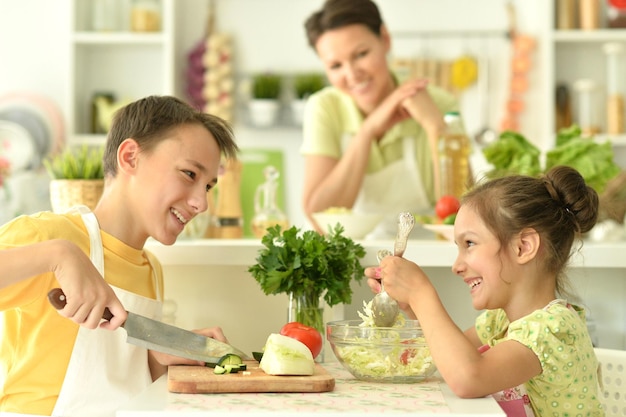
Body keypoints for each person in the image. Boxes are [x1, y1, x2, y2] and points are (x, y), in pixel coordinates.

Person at [0, 96, 239, 416]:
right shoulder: (49, 236)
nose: (202, 203)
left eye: (208, 186)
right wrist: (60, 254)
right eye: (190, 174)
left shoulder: (151, 269)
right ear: (130, 157)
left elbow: (122, 385)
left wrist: (161, 355)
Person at [366, 165, 604, 416]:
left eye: (469, 243)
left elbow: (468, 377)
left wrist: (420, 293)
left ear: (523, 247)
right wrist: (410, 304)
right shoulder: (501, 320)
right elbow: (446, 355)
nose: (456, 266)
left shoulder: (553, 329)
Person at [301, 0, 465, 237]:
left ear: (385, 39)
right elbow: (319, 217)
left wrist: (435, 127)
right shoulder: (324, 108)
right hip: (352, 260)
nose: (352, 74)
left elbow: (462, 215)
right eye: (335, 65)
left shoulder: (439, 104)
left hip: (424, 259)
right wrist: (368, 131)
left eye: (361, 54)